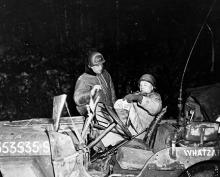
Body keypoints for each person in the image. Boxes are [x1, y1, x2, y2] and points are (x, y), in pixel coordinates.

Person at [114, 74, 162, 140]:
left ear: (152, 87)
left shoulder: (155, 97)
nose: (142, 87)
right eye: (141, 85)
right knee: (120, 103)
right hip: (131, 127)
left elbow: (155, 108)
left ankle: (122, 126)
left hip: (141, 132)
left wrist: (138, 98)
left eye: (145, 85)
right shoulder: (137, 94)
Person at [74, 51, 116, 116]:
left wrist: (115, 107)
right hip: (96, 115)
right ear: (89, 66)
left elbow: (112, 93)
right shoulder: (83, 79)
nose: (100, 68)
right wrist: (91, 92)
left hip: (111, 113)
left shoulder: (106, 74)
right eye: (97, 65)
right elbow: (77, 99)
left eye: (101, 64)